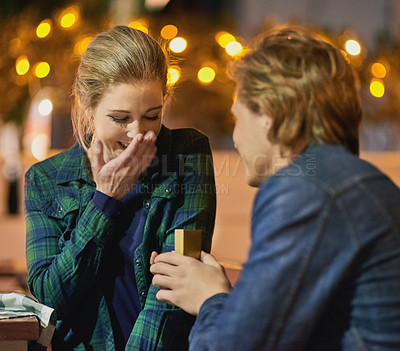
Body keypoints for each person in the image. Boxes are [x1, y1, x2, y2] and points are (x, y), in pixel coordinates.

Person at [150, 26, 400, 350]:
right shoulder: (356, 182)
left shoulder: (304, 190)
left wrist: (210, 298)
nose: (236, 138)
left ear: (268, 115)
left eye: (237, 119)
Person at [25, 25, 216, 351]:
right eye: (120, 118)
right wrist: (105, 200)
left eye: (152, 116)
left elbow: (175, 285)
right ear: (88, 106)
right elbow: (51, 297)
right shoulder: (45, 179)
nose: (138, 133)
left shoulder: (187, 154)